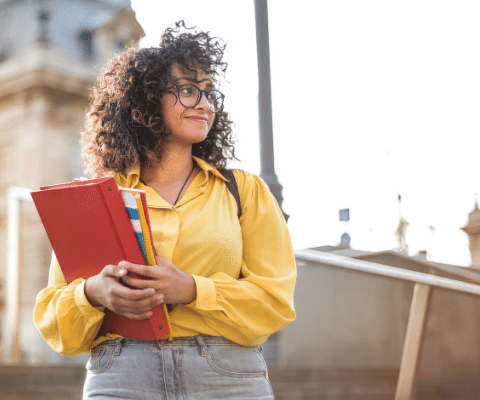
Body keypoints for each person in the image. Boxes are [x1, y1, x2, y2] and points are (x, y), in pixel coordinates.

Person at [34, 22, 296, 400]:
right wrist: (93, 293)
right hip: (121, 373)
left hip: (227, 376)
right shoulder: (97, 199)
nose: (205, 104)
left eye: (209, 93)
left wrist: (191, 289)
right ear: (147, 100)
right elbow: (53, 317)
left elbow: (275, 301)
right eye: (188, 90)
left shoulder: (244, 191)